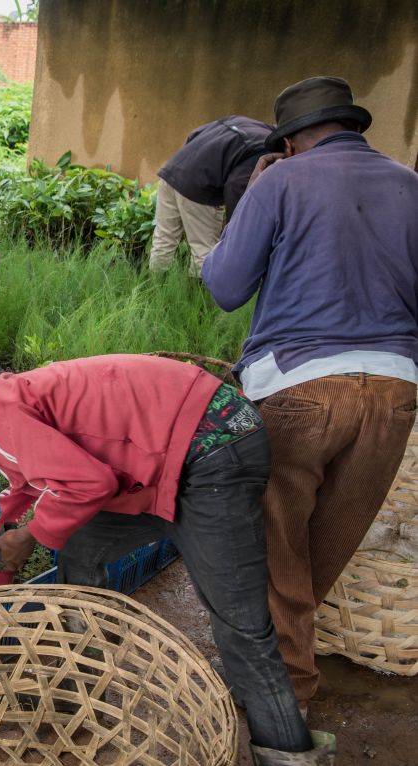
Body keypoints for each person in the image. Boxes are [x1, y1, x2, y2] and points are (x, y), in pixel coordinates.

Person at [0, 342, 335, 766]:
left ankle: (288, 755)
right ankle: (79, 692)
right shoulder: (20, 400)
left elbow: (89, 484)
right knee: (81, 547)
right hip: (170, 459)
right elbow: (22, 492)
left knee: (242, 626)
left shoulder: (3, 410)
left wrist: (29, 537)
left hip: (212, 448)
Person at [202, 76, 418, 718]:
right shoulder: (410, 185)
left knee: (277, 541)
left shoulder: (280, 181)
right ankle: (282, 664)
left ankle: (282, 692)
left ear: (291, 142)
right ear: (354, 127)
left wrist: (250, 196)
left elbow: (225, 285)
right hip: (395, 389)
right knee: (327, 542)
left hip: (299, 386)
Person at [148, 116, 272, 276]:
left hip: (172, 171)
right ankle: (198, 300)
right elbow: (236, 184)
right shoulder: (266, 148)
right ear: (289, 143)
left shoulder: (243, 121)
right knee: (204, 252)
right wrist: (235, 225)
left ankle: (152, 292)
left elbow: (195, 134)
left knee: (163, 241)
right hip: (201, 187)